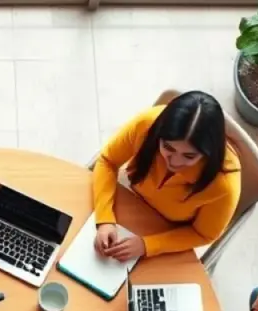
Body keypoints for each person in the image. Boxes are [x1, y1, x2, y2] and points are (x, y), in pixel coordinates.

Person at [92, 91, 241, 262]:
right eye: (168, 147)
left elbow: (203, 234)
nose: (175, 162)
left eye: (189, 156)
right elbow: (107, 161)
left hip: (169, 232)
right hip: (129, 204)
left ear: (208, 153)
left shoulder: (225, 185)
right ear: (158, 135)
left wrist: (147, 245)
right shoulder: (146, 124)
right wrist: (104, 220)